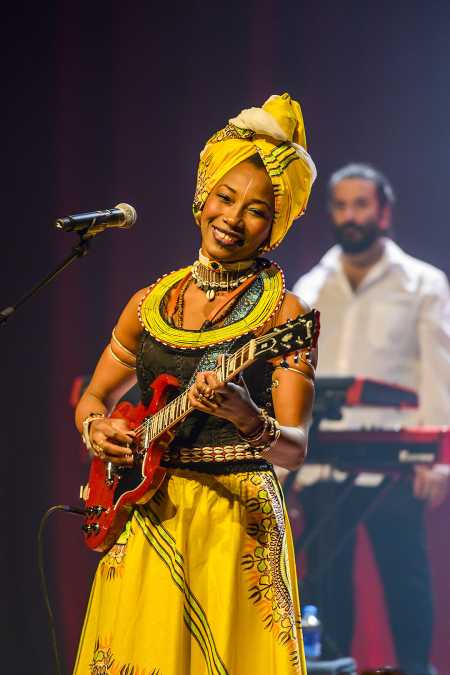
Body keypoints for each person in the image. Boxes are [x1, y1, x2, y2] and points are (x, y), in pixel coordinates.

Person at [72, 93, 319, 674]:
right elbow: (93, 396)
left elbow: (296, 447)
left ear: (275, 225)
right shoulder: (149, 301)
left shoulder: (285, 315)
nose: (232, 219)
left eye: (257, 210)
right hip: (145, 509)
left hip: (234, 521)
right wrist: (94, 427)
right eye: (225, 198)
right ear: (202, 196)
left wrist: (244, 416)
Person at [291, 163, 450, 675]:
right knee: (325, 586)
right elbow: (291, 382)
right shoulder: (310, 287)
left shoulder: (422, 282)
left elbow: (439, 371)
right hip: (323, 460)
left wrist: (439, 457)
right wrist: (283, 470)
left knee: (406, 577)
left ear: (384, 210)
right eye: (341, 205)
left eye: (362, 205)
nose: (351, 216)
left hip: (396, 458)